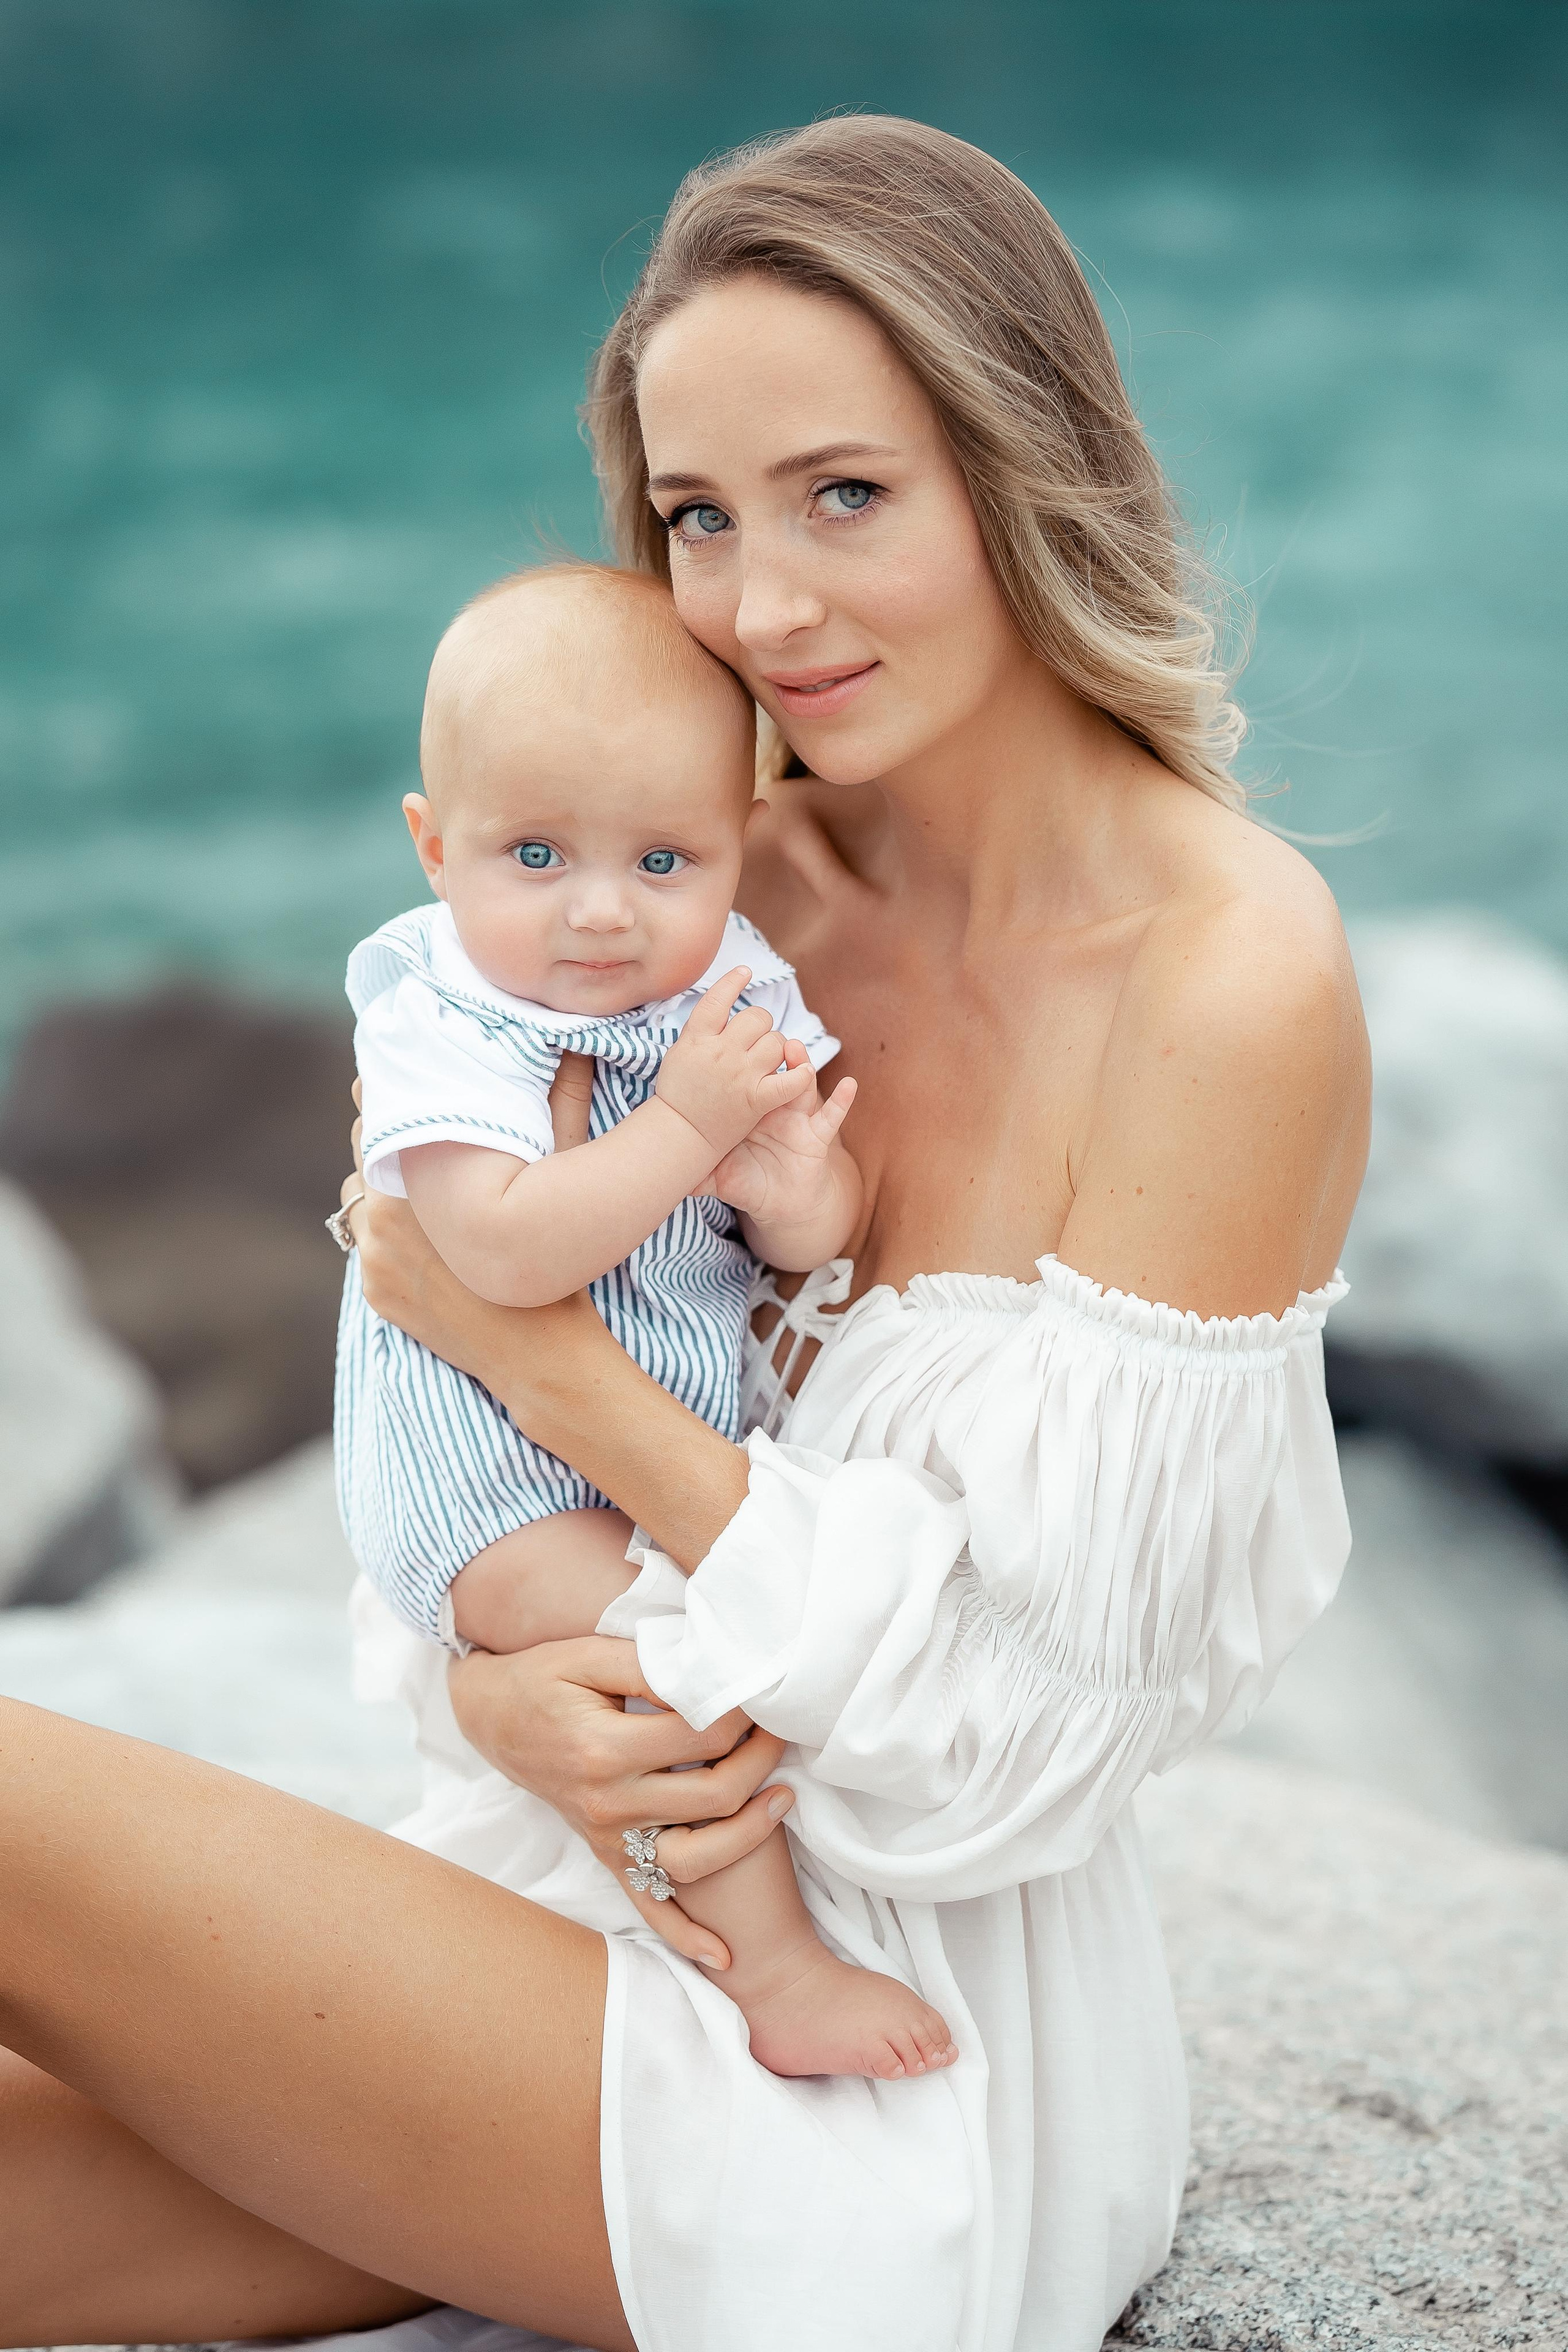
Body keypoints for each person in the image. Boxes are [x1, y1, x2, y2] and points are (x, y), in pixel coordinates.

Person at [0, 116, 1368, 2352]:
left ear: (1023, 465)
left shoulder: (1228, 977)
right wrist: (485, 1687)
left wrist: (554, 1367)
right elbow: (434, 1413)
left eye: (848, 496)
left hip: (883, 2100)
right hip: (557, 1908)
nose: (759, 608)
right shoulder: (695, 903)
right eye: (700, 519)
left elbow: (1026, 1743)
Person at [337, 559, 955, 2081]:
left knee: (689, 1633)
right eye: (534, 855)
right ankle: (772, 1969)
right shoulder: (445, 1011)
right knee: (652, 1656)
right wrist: (683, 1130)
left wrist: (795, 1178)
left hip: (637, 1440)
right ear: (434, 846)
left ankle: (660, 1926)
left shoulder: (722, 980)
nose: (602, 915)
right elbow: (489, 1253)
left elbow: (811, 1234)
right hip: (489, 1481)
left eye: (663, 861)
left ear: (736, 845)